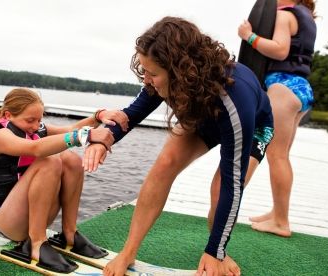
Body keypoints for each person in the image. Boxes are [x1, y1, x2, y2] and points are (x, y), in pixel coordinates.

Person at [83, 17, 274, 276]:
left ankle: (219, 251)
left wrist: (214, 252)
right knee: (164, 165)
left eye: (153, 74)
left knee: (220, 189)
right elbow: (134, 113)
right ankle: (128, 252)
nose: (146, 80)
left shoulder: (234, 100)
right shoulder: (161, 76)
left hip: (251, 127)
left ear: (181, 70)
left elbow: (233, 183)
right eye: (144, 71)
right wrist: (105, 138)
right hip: (204, 117)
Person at [0, 87, 116, 273]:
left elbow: (70, 130)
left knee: (71, 160)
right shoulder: (0, 135)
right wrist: (83, 137)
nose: (35, 125)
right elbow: (36, 149)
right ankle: (37, 243)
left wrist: (98, 116)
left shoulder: (35, 128)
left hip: (34, 215)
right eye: (30, 120)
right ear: (8, 115)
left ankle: (69, 233)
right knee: (49, 160)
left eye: (39, 120)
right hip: (9, 220)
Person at [237, 0, 316, 237]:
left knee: (276, 155)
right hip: (301, 88)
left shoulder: (284, 15)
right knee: (282, 155)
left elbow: (280, 50)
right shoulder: (306, 18)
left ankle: (281, 222)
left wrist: (248, 35)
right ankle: (277, 213)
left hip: (282, 87)